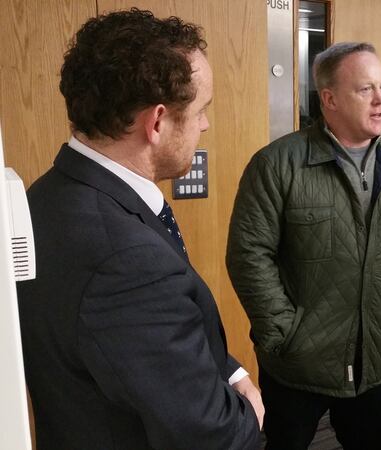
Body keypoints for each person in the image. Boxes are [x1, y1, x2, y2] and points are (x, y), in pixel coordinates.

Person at [16, 9, 263, 449]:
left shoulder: (49, 193)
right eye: (201, 110)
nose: (205, 124)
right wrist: (249, 413)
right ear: (157, 122)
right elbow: (212, 435)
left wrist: (230, 370)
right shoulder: (127, 262)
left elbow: (153, 343)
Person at [226, 41, 381, 449]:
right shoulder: (277, 165)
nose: (379, 101)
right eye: (365, 89)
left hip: (376, 358)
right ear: (330, 99)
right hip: (298, 366)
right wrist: (285, 333)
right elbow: (250, 255)